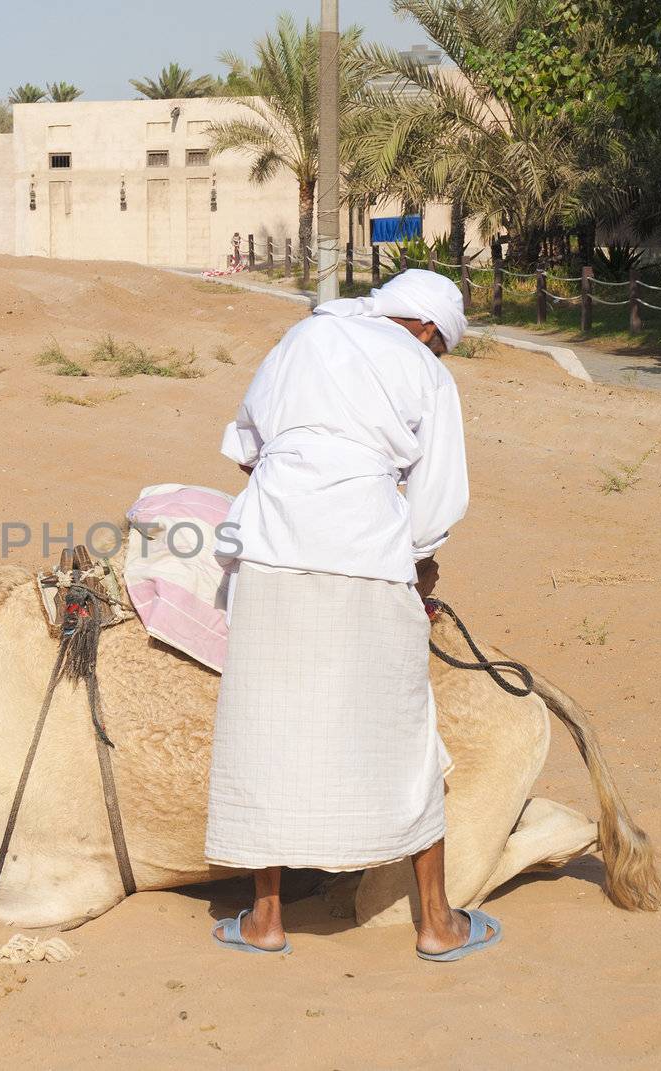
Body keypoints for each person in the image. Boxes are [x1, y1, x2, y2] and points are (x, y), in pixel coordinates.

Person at [205, 268, 500, 962]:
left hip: (273, 545)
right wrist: (417, 557)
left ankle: (266, 918)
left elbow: (249, 449)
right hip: (368, 553)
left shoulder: (304, 335)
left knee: (265, 723)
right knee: (405, 730)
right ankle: (436, 922)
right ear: (429, 329)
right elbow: (437, 499)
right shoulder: (426, 374)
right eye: (442, 346)